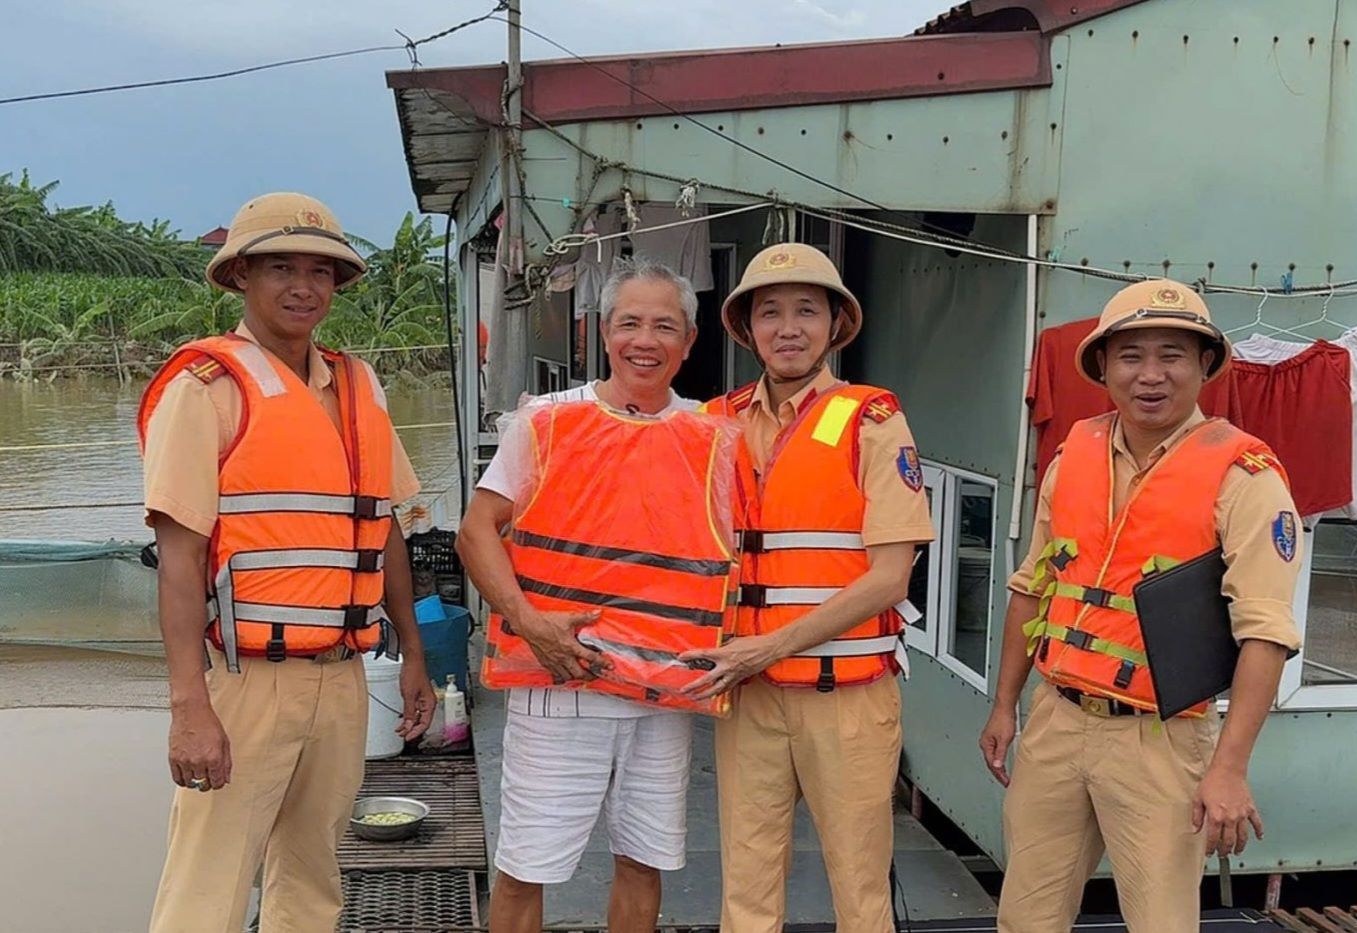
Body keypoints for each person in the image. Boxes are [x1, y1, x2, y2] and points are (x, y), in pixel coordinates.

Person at [137, 192, 435, 933]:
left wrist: (415, 656)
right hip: (244, 682)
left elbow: (386, 530)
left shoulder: (358, 385)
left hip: (342, 676)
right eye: (281, 268)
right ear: (240, 276)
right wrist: (189, 708)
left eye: (321, 271)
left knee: (312, 879)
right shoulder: (205, 388)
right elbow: (180, 558)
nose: (304, 287)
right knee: (207, 886)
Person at [978, 279, 1304, 933]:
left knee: (1161, 922)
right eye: (1130, 355)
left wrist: (1229, 768)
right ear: (1103, 366)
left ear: (1205, 365)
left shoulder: (1246, 474)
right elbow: (1031, 586)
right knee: (1024, 917)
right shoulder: (1074, 451)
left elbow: (1265, 632)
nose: (1150, 374)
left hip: (1162, 738)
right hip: (1056, 721)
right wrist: (1004, 703)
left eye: (1172, 354)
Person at [686, 243, 934, 933]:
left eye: (806, 311)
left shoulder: (872, 420)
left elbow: (891, 576)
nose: (787, 327)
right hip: (749, 696)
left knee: (860, 888)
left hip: (845, 695)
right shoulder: (712, 423)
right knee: (746, 886)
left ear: (834, 326)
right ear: (747, 328)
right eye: (770, 312)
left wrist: (762, 648)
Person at [456, 257, 701, 933]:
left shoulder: (710, 435)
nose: (644, 340)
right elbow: (477, 531)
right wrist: (532, 625)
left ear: (689, 340)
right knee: (526, 865)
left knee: (643, 859)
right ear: (602, 331)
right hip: (556, 681)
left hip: (660, 692)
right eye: (629, 323)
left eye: (663, 325)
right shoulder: (546, 421)